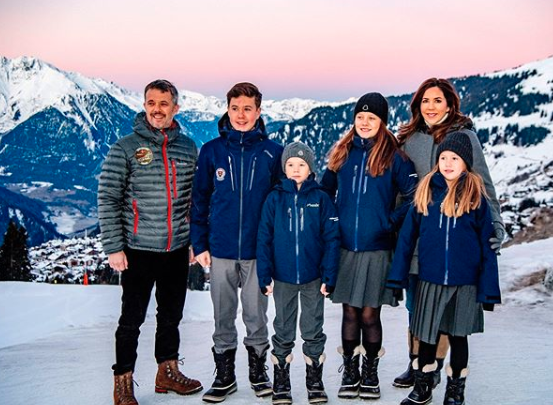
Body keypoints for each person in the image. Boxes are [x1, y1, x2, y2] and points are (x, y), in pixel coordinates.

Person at [393, 78, 505, 389]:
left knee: (444, 312)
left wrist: (496, 225)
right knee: (417, 306)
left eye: (437, 100)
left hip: (453, 239)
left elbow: (484, 184)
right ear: (418, 105)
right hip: (417, 235)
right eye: (425, 101)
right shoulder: (409, 138)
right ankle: (416, 362)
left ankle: (434, 365)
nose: (430, 106)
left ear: (449, 104)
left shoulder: (463, 137)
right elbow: (399, 189)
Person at [98, 79, 202, 405]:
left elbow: (193, 201)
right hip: (138, 249)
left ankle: (167, 373)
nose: (157, 109)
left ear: (175, 108)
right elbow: (108, 197)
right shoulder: (126, 147)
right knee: (131, 320)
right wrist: (114, 246)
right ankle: (123, 382)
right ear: (145, 106)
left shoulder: (188, 148)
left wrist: (193, 241)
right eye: (151, 103)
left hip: (176, 250)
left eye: (164, 103)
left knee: (171, 316)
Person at [190, 82, 284, 403]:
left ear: (258, 112)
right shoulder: (212, 151)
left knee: (257, 314)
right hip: (221, 249)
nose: (240, 115)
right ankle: (225, 375)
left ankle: (258, 372)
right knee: (223, 313)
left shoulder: (273, 153)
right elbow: (200, 201)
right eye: (235, 108)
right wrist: (199, 243)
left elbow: (282, 206)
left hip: (259, 252)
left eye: (247, 108)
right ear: (227, 109)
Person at [321, 93, 418, 399]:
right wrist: (333, 221)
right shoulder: (342, 153)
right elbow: (324, 195)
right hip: (346, 248)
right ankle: (350, 372)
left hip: (378, 249)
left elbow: (416, 197)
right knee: (349, 313)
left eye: (371, 118)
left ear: (382, 122)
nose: (364, 123)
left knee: (369, 315)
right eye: (360, 117)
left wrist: (390, 221)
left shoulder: (396, 158)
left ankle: (370, 374)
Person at [257, 142, 340, 405]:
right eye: (290, 164)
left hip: (313, 277)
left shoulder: (321, 198)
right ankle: (281, 380)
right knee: (283, 327)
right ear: (284, 168)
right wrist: (264, 274)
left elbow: (332, 238)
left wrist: (329, 275)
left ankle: (314, 380)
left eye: (301, 165)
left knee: (313, 328)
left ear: (310, 169)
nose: (295, 169)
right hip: (282, 278)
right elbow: (264, 238)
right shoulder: (275, 198)